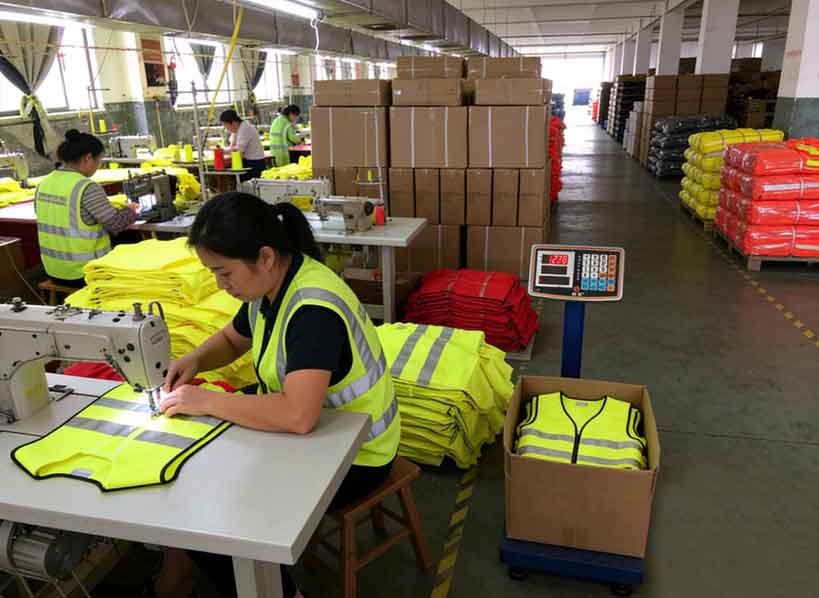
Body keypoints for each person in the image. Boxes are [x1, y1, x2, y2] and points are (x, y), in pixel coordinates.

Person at [154, 192, 400, 598]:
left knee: (216, 512)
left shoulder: (312, 309)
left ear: (265, 257)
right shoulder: (271, 286)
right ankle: (181, 574)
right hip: (319, 428)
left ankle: (278, 591)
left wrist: (205, 400)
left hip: (357, 453)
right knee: (195, 472)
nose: (220, 285)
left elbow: (298, 416)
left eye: (224, 273)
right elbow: (232, 340)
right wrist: (195, 360)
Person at [34, 129, 139, 288]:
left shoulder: (44, 184)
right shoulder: (86, 187)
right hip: (86, 272)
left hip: (53, 270)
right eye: (99, 161)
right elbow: (115, 225)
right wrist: (132, 210)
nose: (98, 166)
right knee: (133, 240)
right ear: (88, 158)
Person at [220, 109, 266, 181]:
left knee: (253, 185)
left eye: (227, 126)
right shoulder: (237, 129)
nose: (227, 129)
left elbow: (239, 149)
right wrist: (225, 150)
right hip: (246, 161)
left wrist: (223, 151)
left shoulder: (245, 129)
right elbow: (232, 145)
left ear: (233, 122)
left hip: (255, 163)